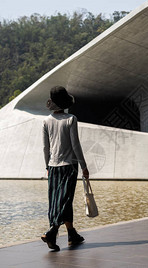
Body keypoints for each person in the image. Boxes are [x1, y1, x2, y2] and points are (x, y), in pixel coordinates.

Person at [41, 86, 89, 251]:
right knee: (65, 200)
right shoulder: (71, 119)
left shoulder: (46, 121)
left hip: (53, 167)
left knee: (57, 201)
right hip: (69, 166)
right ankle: (52, 232)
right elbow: (75, 145)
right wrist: (84, 166)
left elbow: (45, 147)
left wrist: (47, 165)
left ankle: (71, 234)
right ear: (65, 102)